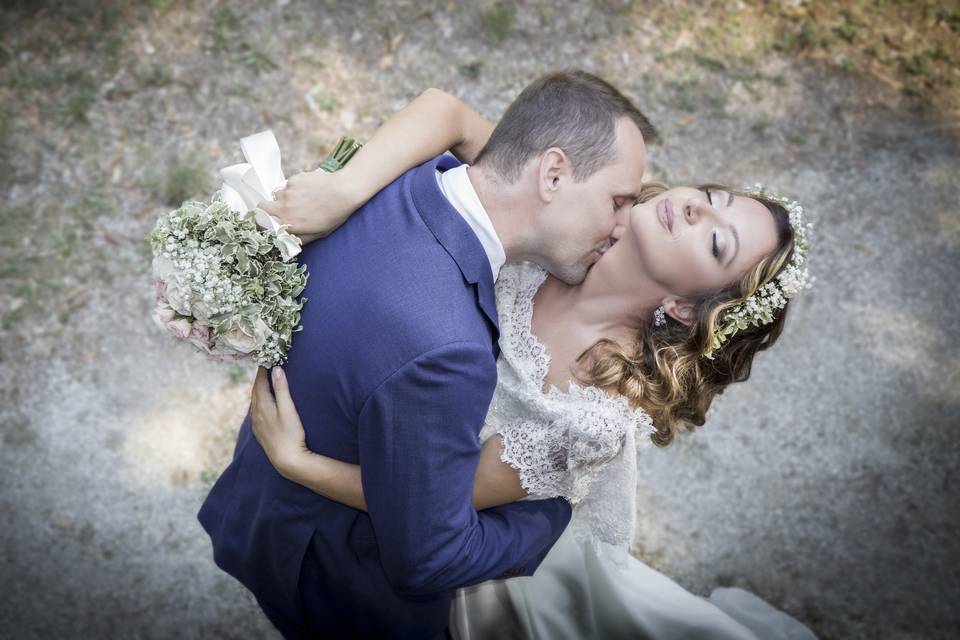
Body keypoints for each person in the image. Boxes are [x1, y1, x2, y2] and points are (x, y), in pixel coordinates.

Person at [249, 85, 818, 639]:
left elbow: (430, 500)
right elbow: (449, 115)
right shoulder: (569, 206)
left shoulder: (595, 413)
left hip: (455, 546)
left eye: (717, 244)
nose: (696, 209)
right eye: (715, 199)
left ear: (686, 309)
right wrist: (343, 189)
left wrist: (298, 464)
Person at [198, 71, 657, 639]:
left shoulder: (401, 178)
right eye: (619, 202)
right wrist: (554, 509)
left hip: (257, 496)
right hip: (329, 576)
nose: (621, 227)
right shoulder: (447, 350)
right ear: (554, 173)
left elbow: (449, 116)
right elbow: (431, 559)